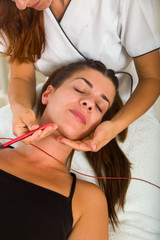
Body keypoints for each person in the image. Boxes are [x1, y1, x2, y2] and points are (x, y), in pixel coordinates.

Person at [0, 0, 159, 150]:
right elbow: (22, 77)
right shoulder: (14, 10)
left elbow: (152, 78)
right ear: (48, 92)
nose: (21, 5)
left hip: (128, 110)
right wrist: (21, 108)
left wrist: (115, 126)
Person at [0, 60, 131, 239]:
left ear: (97, 128)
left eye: (100, 106)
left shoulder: (88, 200)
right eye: (80, 89)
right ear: (48, 93)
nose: (89, 103)